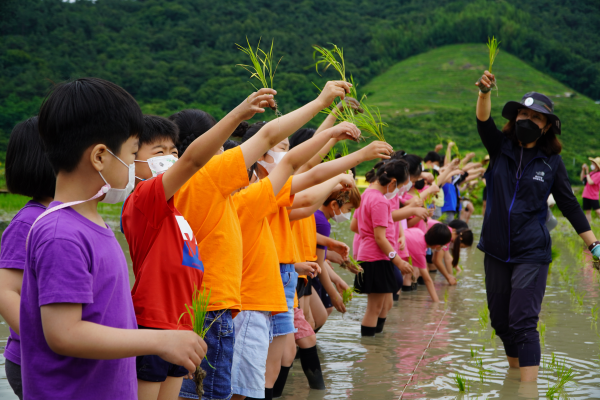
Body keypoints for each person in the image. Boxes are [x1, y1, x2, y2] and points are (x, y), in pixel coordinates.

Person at [21, 78, 207, 400]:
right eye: (133, 152)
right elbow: (65, 334)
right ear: (100, 157)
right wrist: (159, 341)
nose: (134, 165)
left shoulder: (91, 223)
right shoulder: (60, 234)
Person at [172, 80, 353, 400]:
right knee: (222, 390)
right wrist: (323, 105)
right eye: (220, 145)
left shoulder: (213, 193)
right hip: (218, 308)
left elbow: (295, 163)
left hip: (226, 306)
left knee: (232, 385)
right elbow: (291, 159)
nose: (227, 151)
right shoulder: (207, 183)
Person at [123, 89, 272, 400]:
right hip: (156, 323)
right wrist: (238, 114)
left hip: (184, 323)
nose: (170, 157)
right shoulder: (144, 199)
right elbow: (192, 160)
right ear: (130, 162)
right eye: (158, 152)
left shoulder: (174, 208)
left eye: (172, 150)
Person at [475, 71, 600, 382]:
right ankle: (515, 378)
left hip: (531, 250)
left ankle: (528, 392)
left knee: (523, 322)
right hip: (495, 248)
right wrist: (484, 93)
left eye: (535, 117)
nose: (527, 119)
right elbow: (483, 122)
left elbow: (570, 205)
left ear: (546, 127)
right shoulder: (499, 147)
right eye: (523, 113)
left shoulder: (551, 162)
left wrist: (594, 244)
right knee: (501, 323)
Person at [0, 117, 56, 400]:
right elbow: (6, 291)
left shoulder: (62, 215)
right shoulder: (28, 222)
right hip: (32, 360)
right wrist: (45, 341)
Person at [354, 159, 413, 336]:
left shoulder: (368, 193)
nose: (399, 191)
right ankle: (371, 351)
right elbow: (380, 237)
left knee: (383, 305)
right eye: (401, 185)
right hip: (376, 257)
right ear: (393, 182)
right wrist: (398, 261)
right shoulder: (380, 201)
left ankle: (377, 347)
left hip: (375, 255)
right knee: (374, 307)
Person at [582, 157, 600, 221]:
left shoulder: (598, 174)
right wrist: (583, 170)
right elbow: (582, 179)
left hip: (593, 196)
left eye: (593, 163)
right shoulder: (591, 173)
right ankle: (588, 227)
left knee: (598, 210)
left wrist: (587, 173)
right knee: (587, 212)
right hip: (586, 195)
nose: (592, 165)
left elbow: (590, 182)